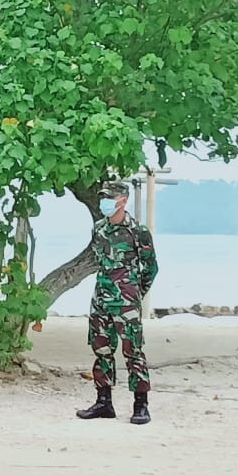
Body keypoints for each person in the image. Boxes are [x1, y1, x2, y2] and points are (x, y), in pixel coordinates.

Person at [77, 179, 159, 425]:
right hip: (101, 297)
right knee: (101, 348)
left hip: (126, 301)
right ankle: (104, 402)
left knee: (133, 351)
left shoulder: (138, 230)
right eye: (103, 198)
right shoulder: (99, 229)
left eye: (109, 198)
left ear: (122, 200)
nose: (105, 202)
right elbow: (99, 260)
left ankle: (140, 404)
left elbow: (151, 268)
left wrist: (134, 292)